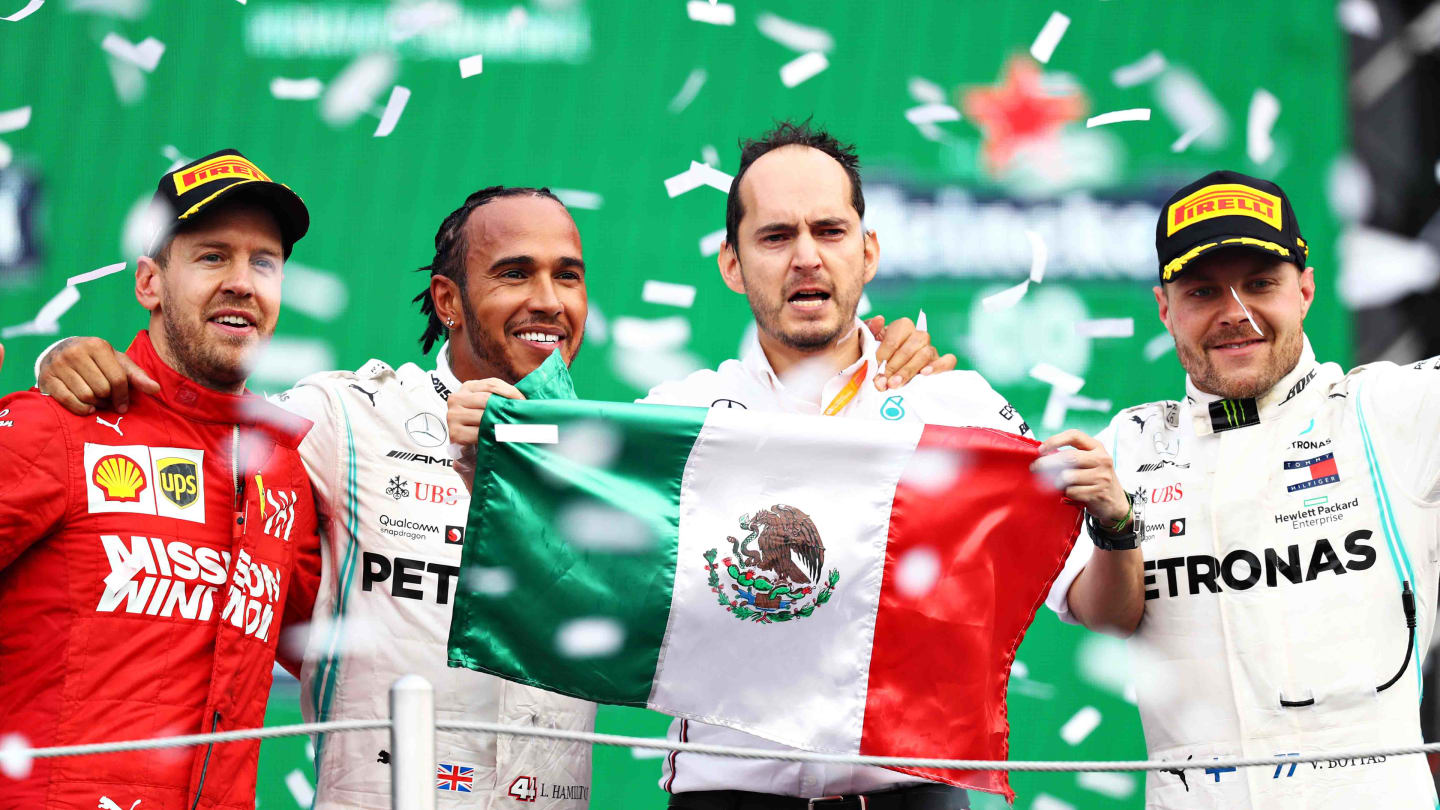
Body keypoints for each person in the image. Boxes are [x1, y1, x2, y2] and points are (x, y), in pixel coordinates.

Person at [36, 184, 949, 808]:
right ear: (447, 299)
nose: (546, 298)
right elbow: (196, 416)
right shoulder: (344, 419)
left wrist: (881, 369)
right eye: (513, 273)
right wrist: (77, 364)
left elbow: (795, 519)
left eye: (567, 274)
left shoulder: (628, 451)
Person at [447, 120, 1107, 810]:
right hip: (728, 796)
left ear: (869, 250)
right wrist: (488, 454)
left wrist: (1117, 523)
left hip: (911, 796)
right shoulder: (682, 417)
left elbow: (1095, 601)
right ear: (732, 263)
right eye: (775, 236)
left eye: (829, 231)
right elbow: (564, 568)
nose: (806, 257)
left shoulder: (953, 406)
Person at [1044, 170, 1440, 808]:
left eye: (1261, 284)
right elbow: (1106, 616)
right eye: (1203, 291)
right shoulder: (1129, 442)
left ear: (1306, 289)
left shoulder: (1388, 409)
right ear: (1165, 309)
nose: (1235, 313)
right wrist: (1116, 527)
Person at [0, 149, 322, 809]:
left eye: (264, 262)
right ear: (149, 283)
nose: (242, 282)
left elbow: (360, 642)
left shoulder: (282, 470)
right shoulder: (58, 423)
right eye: (211, 257)